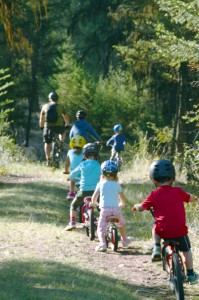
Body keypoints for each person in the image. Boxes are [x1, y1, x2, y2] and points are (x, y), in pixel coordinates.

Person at [132, 159, 198, 285]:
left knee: (155, 225)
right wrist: (195, 197)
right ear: (173, 178)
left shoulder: (153, 195)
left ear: (154, 180)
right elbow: (190, 198)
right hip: (180, 231)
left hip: (163, 231)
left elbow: (141, 208)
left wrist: (136, 206)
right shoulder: (178, 191)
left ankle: (156, 247)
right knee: (186, 250)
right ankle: (190, 273)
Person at [91, 160, 132, 252]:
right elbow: (122, 198)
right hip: (116, 209)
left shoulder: (100, 184)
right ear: (116, 174)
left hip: (104, 210)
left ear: (102, 173)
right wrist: (122, 204)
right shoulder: (117, 185)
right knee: (121, 224)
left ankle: (103, 244)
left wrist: (94, 203)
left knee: (101, 228)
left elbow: (94, 197)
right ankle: (124, 240)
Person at [65, 143, 101, 231]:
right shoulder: (98, 165)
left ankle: (72, 222)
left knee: (74, 205)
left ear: (85, 155)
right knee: (101, 206)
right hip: (96, 191)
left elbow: (74, 173)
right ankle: (104, 221)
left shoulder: (82, 164)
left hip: (83, 191)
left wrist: (69, 178)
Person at [39, 92, 70, 166]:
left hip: (48, 127)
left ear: (49, 99)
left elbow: (41, 118)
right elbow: (66, 117)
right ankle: (61, 143)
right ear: (57, 99)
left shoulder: (44, 106)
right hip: (58, 126)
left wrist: (41, 126)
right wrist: (67, 124)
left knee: (47, 143)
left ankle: (48, 159)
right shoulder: (61, 107)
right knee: (63, 131)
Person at [64, 135, 86, 200]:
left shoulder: (70, 152)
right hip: (83, 174)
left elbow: (67, 164)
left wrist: (66, 170)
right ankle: (82, 195)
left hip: (74, 175)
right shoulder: (85, 153)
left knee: (72, 177)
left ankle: (71, 193)